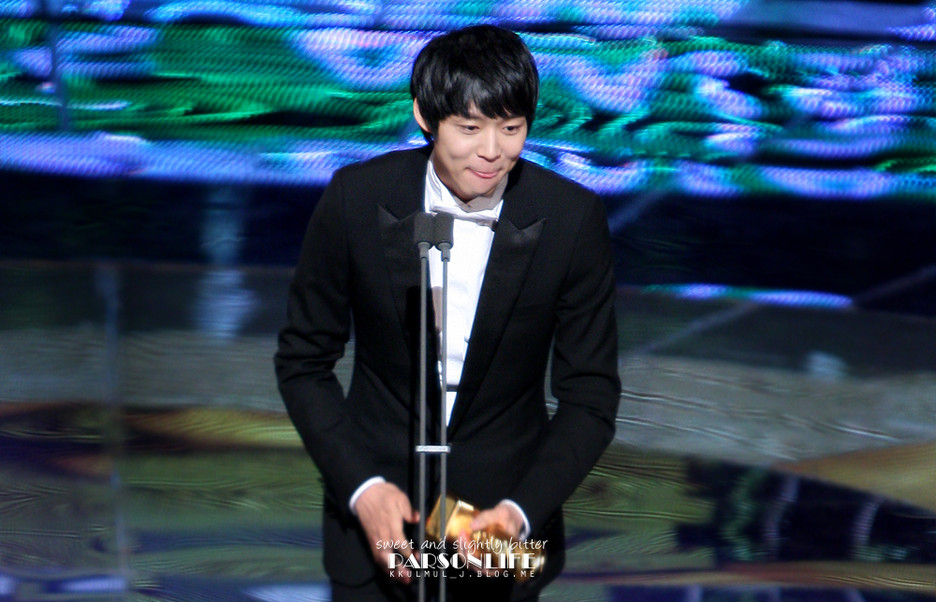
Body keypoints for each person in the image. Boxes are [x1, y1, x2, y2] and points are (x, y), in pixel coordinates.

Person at [275, 24, 621, 601]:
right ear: (424, 115)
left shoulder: (571, 218)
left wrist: (520, 511)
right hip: (376, 528)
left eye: (511, 128)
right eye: (470, 128)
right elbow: (302, 362)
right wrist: (362, 488)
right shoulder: (355, 198)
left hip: (498, 535)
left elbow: (591, 397)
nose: (492, 151)